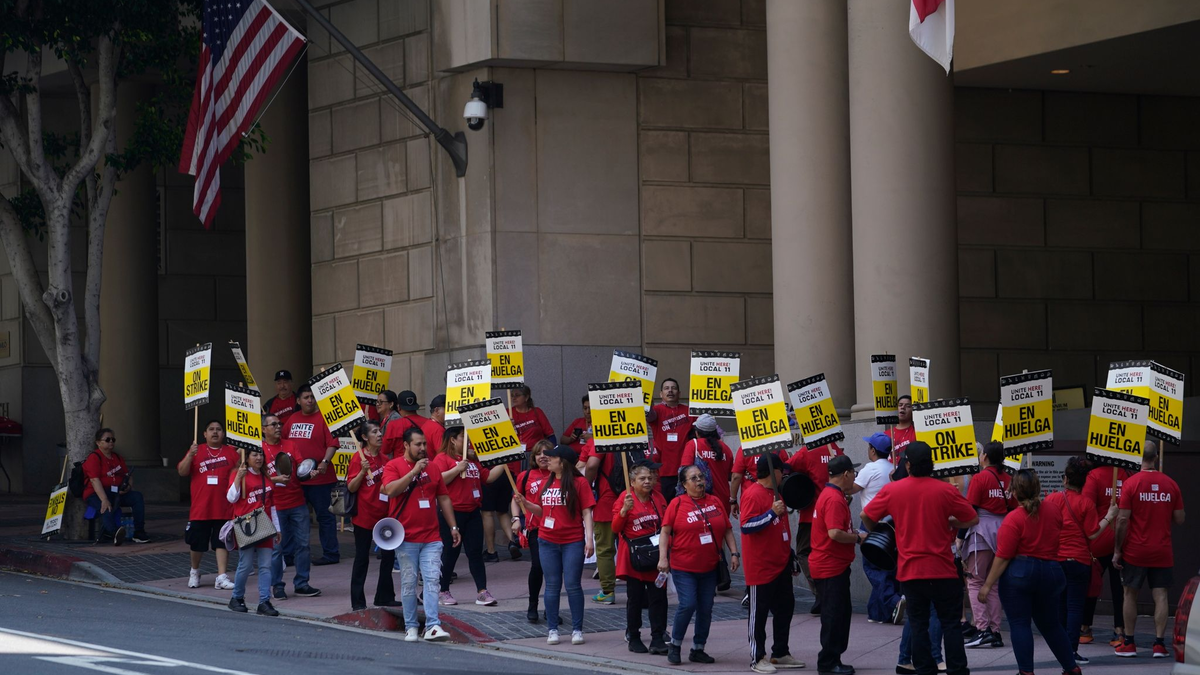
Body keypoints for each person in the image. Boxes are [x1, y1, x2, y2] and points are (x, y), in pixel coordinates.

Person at [861, 441, 978, 675]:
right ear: (932, 465)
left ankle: (925, 670)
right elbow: (972, 518)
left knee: (919, 624)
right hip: (943, 570)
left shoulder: (894, 490)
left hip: (911, 571)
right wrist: (951, 522)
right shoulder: (945, 491)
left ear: (908, 464)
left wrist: (883, 532)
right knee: (951, 625)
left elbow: (865, 514)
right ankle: (958, 670)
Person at [978, 469, 1079, 675]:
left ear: (1014, 492)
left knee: (1019, 623)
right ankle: (1071, 668)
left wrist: (987, 585)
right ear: (1038, 488)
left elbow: (1003, 556)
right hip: (1051, 572)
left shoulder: (1013, 518)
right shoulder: (1053, 510)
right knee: (1051, 624)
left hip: (1021, 573)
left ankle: (1026, 672)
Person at [381, 426, 459, 642]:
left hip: (432, 537)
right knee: (408, 582)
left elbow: (443, 497)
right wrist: (414, 471)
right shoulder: (393, 465)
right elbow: (390, 490)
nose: (423, 448)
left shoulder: (433, 468)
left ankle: (433, 625)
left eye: (424, 444)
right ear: (406, 445)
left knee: (433, 580)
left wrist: (453, 527)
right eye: (418, 444)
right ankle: (411, 626)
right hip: (405, 538)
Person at [658, 464, 741, 665]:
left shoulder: (715, 502)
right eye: (693, 478)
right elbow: (665, 532)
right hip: (683, 567)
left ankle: (698, 649)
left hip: (709, 567)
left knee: (706, 608)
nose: (699, 481)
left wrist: (734, 553)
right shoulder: (677, 504)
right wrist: (663, 557)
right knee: (688, 604)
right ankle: (675, 645)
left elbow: (728, 529)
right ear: (684, 484)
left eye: (701, 477)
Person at [517, 445, 595, 646]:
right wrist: (525, 503)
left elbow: (587, 512)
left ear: (563, 462)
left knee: (572, 585)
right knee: (551, 586)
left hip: (572, 541)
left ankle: (577, 629)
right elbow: (542, 511)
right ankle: (552, 629)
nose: (547, 459)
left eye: (552, 457)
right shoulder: (546, 481)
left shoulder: (580, 483)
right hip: (547, 540)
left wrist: (589, 539)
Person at [1114, 441, 1185, 658]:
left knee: (1129, 593)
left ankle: (1129, 642)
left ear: (1139, 457)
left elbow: (1122, 520)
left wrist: (1117, 550)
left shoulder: (1131, 484)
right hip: (1162, 550)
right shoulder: (1171, 484)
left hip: (1135, 550)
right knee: (1161, 595)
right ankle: (1159, 644)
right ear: (1155, 457)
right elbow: (1180, 519)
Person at [1044, 456, 1118, 664]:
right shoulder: (1086, 503)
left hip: (1057, 560)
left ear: (1066, 479)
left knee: (1059, 605)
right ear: (1084, 481)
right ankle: (1071, 650)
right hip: (1080, 560)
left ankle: (1059, 649)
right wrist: (1109, 516)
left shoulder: (1052, 500)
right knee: (1076, 606)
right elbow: (1093, 533)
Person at [741, 454, 805, 674]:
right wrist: (771, 513)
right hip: (761, 567)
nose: (784, 475)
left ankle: (780, 652)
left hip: (781, 564)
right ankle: (757, 657)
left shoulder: (777, 494)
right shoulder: (752, 494)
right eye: (782, 472)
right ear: (774, 471)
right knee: (758, 615)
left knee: (785, 609)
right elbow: (747, 526)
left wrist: (789, 554)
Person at [431, 425, 504, 606]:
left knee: (475, 553)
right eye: (464, 437)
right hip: (452, 514)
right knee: (450, 553)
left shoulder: (472, 461)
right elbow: (438, 480)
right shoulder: (442, 458)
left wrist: (504, 460)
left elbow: (487, 478)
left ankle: (482, 591)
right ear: (453, 440)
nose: (468, 440)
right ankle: (442, 590)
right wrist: (457, 469)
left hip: (473, 512)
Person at [811, 455, 866, 675]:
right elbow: (834, 533)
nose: (855, 475)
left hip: (832, 565)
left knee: (839, 614)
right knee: (834, 616)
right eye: (853, 472)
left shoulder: (831, 495)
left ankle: (834, 658)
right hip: (830, 566)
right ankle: (828, 662)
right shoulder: (833, 499)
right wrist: (857, 538)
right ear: (845, 474)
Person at [961, 441, 1015, 648]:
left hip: (981, 532)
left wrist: (959, 536)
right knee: (993, 584)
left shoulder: (980, 478)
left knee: (975, 581)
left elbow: (970, 510)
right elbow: (1012, 506)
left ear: (985, 457)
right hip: (1002, 532)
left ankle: (982, 629)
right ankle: (994, 631)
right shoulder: (1008, 478)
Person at [613, 459, 670, 655]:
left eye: (650, 478)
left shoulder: (658, 498)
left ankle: (657, 636)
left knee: (658, 598)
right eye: (642, 478)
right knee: (635, 599)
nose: (647, 481)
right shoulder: (625, 498)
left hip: (655, 556)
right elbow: (615, 528)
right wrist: (623, 511)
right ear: (632, 481)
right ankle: (634, 636)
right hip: (634, 557)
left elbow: (666, 524)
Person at [262, 415, 319, 600]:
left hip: (297, 502)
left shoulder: (291, 445)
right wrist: (274, 480)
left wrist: (310, 472)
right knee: (277, 548)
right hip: (274, 506)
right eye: (273, 424)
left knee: (303, 545)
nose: (278, 427)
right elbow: (255, 479)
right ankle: (277, 586)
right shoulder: (259, 449)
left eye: (279, 424)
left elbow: (302, 469)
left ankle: (302, 584)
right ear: (263, 429)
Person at [178, 420, 239, 590]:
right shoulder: (197, 451)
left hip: (224, 507)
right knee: (197, 544)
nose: (215, 432)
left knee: (221, 542)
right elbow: (182, 472)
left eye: (218, 429)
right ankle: (195, 572)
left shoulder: (231, 453)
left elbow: (238, 475)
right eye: (211, 429)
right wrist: (190, 455)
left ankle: (221, 576)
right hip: (201, 508)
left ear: (223, 434)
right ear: (204, 433)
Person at [786, 439, 845, 615]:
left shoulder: (807, 451)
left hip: (812, 514)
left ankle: (821, 590)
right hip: (835, 512)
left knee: (804, 552)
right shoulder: (835, 450)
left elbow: (787, 467)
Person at [283, 384, 340, 565]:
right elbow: (282, 443)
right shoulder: (291, 419)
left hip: (322, 480)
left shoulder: (324, 418)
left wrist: (325, 462)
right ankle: (290, 556)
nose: (310, 400)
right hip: (297, 481)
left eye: (312, 397)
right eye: (306, 397)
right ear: (298, 401)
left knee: (325, 518)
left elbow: (332, 444)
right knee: (293, 518)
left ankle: (331, 554)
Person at [846, 432, 899, 624]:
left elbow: (851, 488)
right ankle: (878, 613)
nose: (867, 449)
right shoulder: (894, 468)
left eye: (869, 446)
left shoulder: (870, 468)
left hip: (872, 522)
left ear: (873, 450)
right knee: (888, 565)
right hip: (893, 523)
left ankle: (894, 600)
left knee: (873, 566)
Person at [347, 420, 399, 611]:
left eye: (380, 432)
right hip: (364, 517)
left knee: (388, 557)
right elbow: (351, 487)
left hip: (384, 516)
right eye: (375, 432)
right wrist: (362, 471)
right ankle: (358, 602)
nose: (379, 435)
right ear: (364, 437)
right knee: (362, 558)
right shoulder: (357, 458)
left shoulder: (386, 460)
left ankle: (384, 596)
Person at [1079, 463, 1133, 647]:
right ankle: (1120, 630)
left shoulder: (1093, 476)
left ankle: (1085, 627)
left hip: (1098, 540)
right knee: (1120, 589)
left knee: (1092, 585)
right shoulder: (1127, 475)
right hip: (1122, 540)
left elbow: (1086, 507)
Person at [225, 446, 281, 616]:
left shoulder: (266, 477)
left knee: (265, 566)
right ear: (246, 457)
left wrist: (277, 529)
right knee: (245, 565)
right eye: (254, 455)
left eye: (261, 455)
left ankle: (264, 601)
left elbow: (272, 507)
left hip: (264, 527)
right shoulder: (238, 474)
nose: (258, 458)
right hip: (246, 527)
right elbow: (231, 498)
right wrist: (238, 479)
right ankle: (237, 598)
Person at [82, 428, 147, 545]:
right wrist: (104, 499)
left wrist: (127, 487)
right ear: (98, 443)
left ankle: (139, 532)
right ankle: (113, 533)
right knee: (106, 507)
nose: (111, 442)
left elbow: (128, 475)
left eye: (113, 439)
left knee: (137, 497)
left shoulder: (117, 457)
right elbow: (94, 480)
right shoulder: (94, 457)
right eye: (107, 439)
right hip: (96, 493)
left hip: (116, 491)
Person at [512, 440, 554, 622]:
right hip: (536, 529)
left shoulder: (559, 475)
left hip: (557, 529)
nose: (542, 456)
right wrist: (515, 519)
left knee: (553, 570)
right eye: (538, 453)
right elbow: (515, 499)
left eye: (546, 453)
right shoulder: (525, 475)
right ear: (533, 457)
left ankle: (551, 609)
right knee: (537, 566)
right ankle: (533, 605)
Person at [579, 436, 619, 605]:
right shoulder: (634, 435)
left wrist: (586, 485)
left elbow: (592, 464)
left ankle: (608, 591)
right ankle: (641, 588)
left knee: (604, 548)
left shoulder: (602, 437)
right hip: (635, 498)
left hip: (607, 500)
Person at [647, 378, 694, 499]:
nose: (670, 391)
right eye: (666, 388)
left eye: (673, 388)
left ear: (679, 393)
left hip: (686, 468)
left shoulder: (689, 411)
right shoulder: (657, 411)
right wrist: (647, 403)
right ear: (661, 394)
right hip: (665, 470)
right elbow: (650, 415)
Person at [680, 414, 734, 516]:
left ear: (697, 432)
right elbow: (730, 475)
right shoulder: (726, 448)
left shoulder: (693, 445)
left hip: (701, 500)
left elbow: (684, 472)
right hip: (723, 500)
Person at [730, 444, 788, 515]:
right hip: (775, 498)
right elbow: (786, 471)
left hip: (751, 500)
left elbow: (736, 476)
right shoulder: (778, 447)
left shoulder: (746, 448)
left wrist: (733, 500)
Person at [886, 395, 916, 469]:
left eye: (908, 406)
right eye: (900, 405)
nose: (903, 407)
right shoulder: (886, 434)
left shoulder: (917, 433)